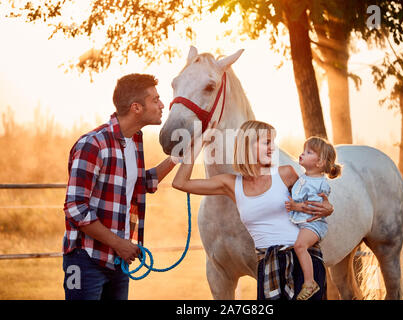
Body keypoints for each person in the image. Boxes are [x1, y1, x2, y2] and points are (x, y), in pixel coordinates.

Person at [172, 120, 334, 300]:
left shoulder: (285, 174)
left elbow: (313, 201)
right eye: (267, 143)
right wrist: (200, 143)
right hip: (267, 267)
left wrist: (328, 208)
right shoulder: (231, 184)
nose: (273, 148)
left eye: (273, 142)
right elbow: (180, 183)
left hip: (302, 263)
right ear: (247, 146)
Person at [62, 73, 178, 300]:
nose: (162, 104)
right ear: (136, 107)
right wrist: (120, 244)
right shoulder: (93, 144)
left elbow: (142, 184)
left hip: (117, 260)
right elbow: (75, 208)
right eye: (155, 99)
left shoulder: (133, 142)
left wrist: (177, 156)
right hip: (86, 260)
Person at [284, 137, 342, 300]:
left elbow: (315, 208)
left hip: (313, 225)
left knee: (300, 246)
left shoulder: (320, 184)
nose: (302, 154)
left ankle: (309, 282)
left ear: (320, 162)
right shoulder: (303, 178)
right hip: (303, 223)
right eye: (304, 150)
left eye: (308, 152)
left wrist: (296, 206)